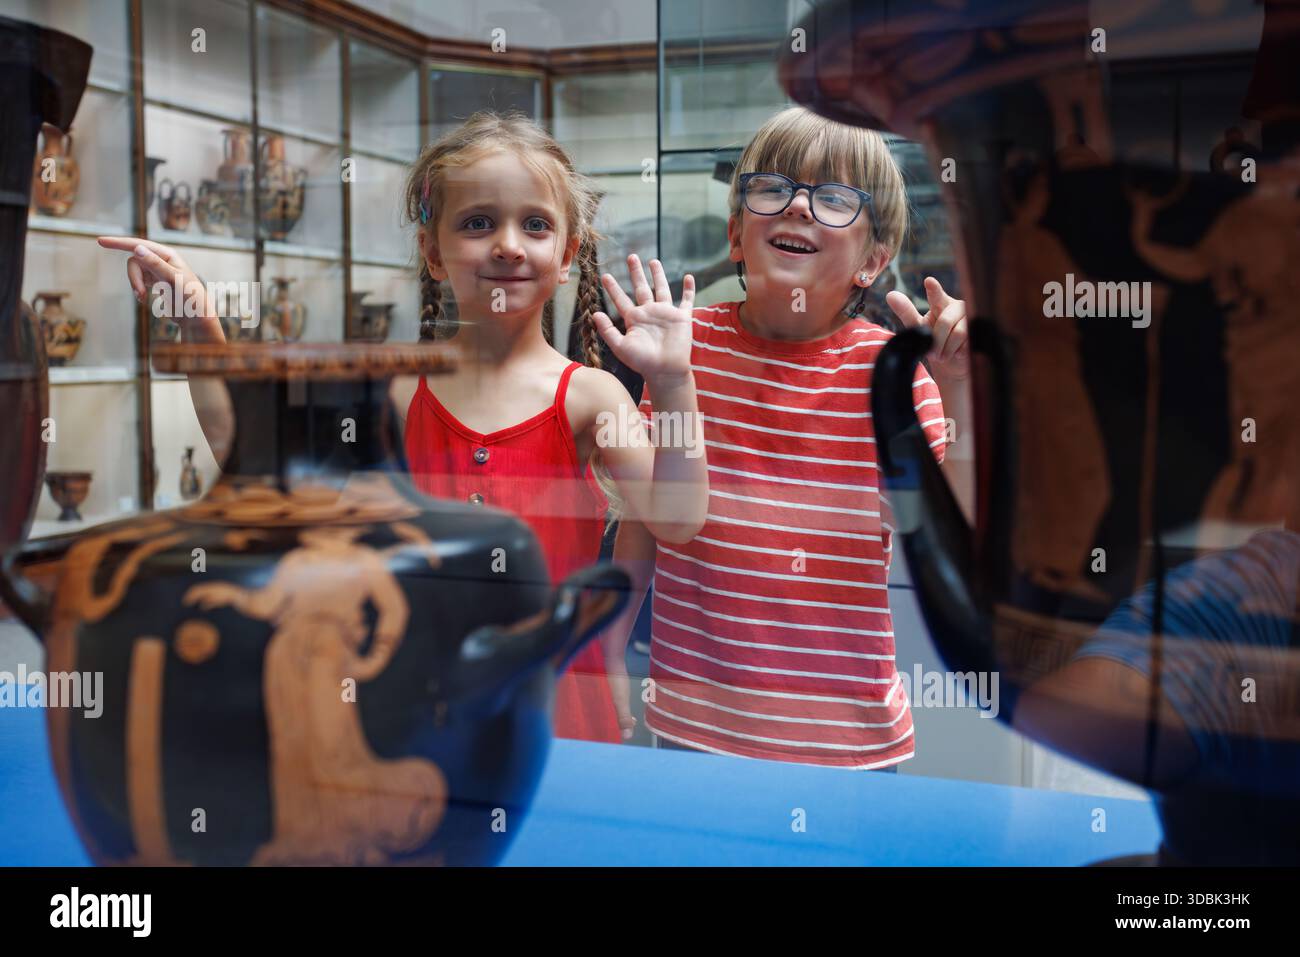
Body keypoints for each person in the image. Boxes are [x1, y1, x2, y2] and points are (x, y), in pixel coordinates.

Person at [99, 111, 711, 745]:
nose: (507, 244)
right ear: (433, 253)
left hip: (554, 706)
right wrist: (202, 327)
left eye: (535, 224)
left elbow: (677, 519)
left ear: (566, 256)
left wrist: (672, 382)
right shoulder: (394, 392)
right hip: (413, 704)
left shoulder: (590, 397)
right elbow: (246, 453)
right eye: (478, 223)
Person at [606, 106, 970, 768]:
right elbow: (647, 517)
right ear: (736, 234)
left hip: (848, 742)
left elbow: (927, 529)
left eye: (833, 198)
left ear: (873, 260)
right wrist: (607, 645)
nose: (799, 206)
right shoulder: (680, 349)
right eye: (773, 188)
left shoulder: (896, 375)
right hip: (693, 726)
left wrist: (956, 396)